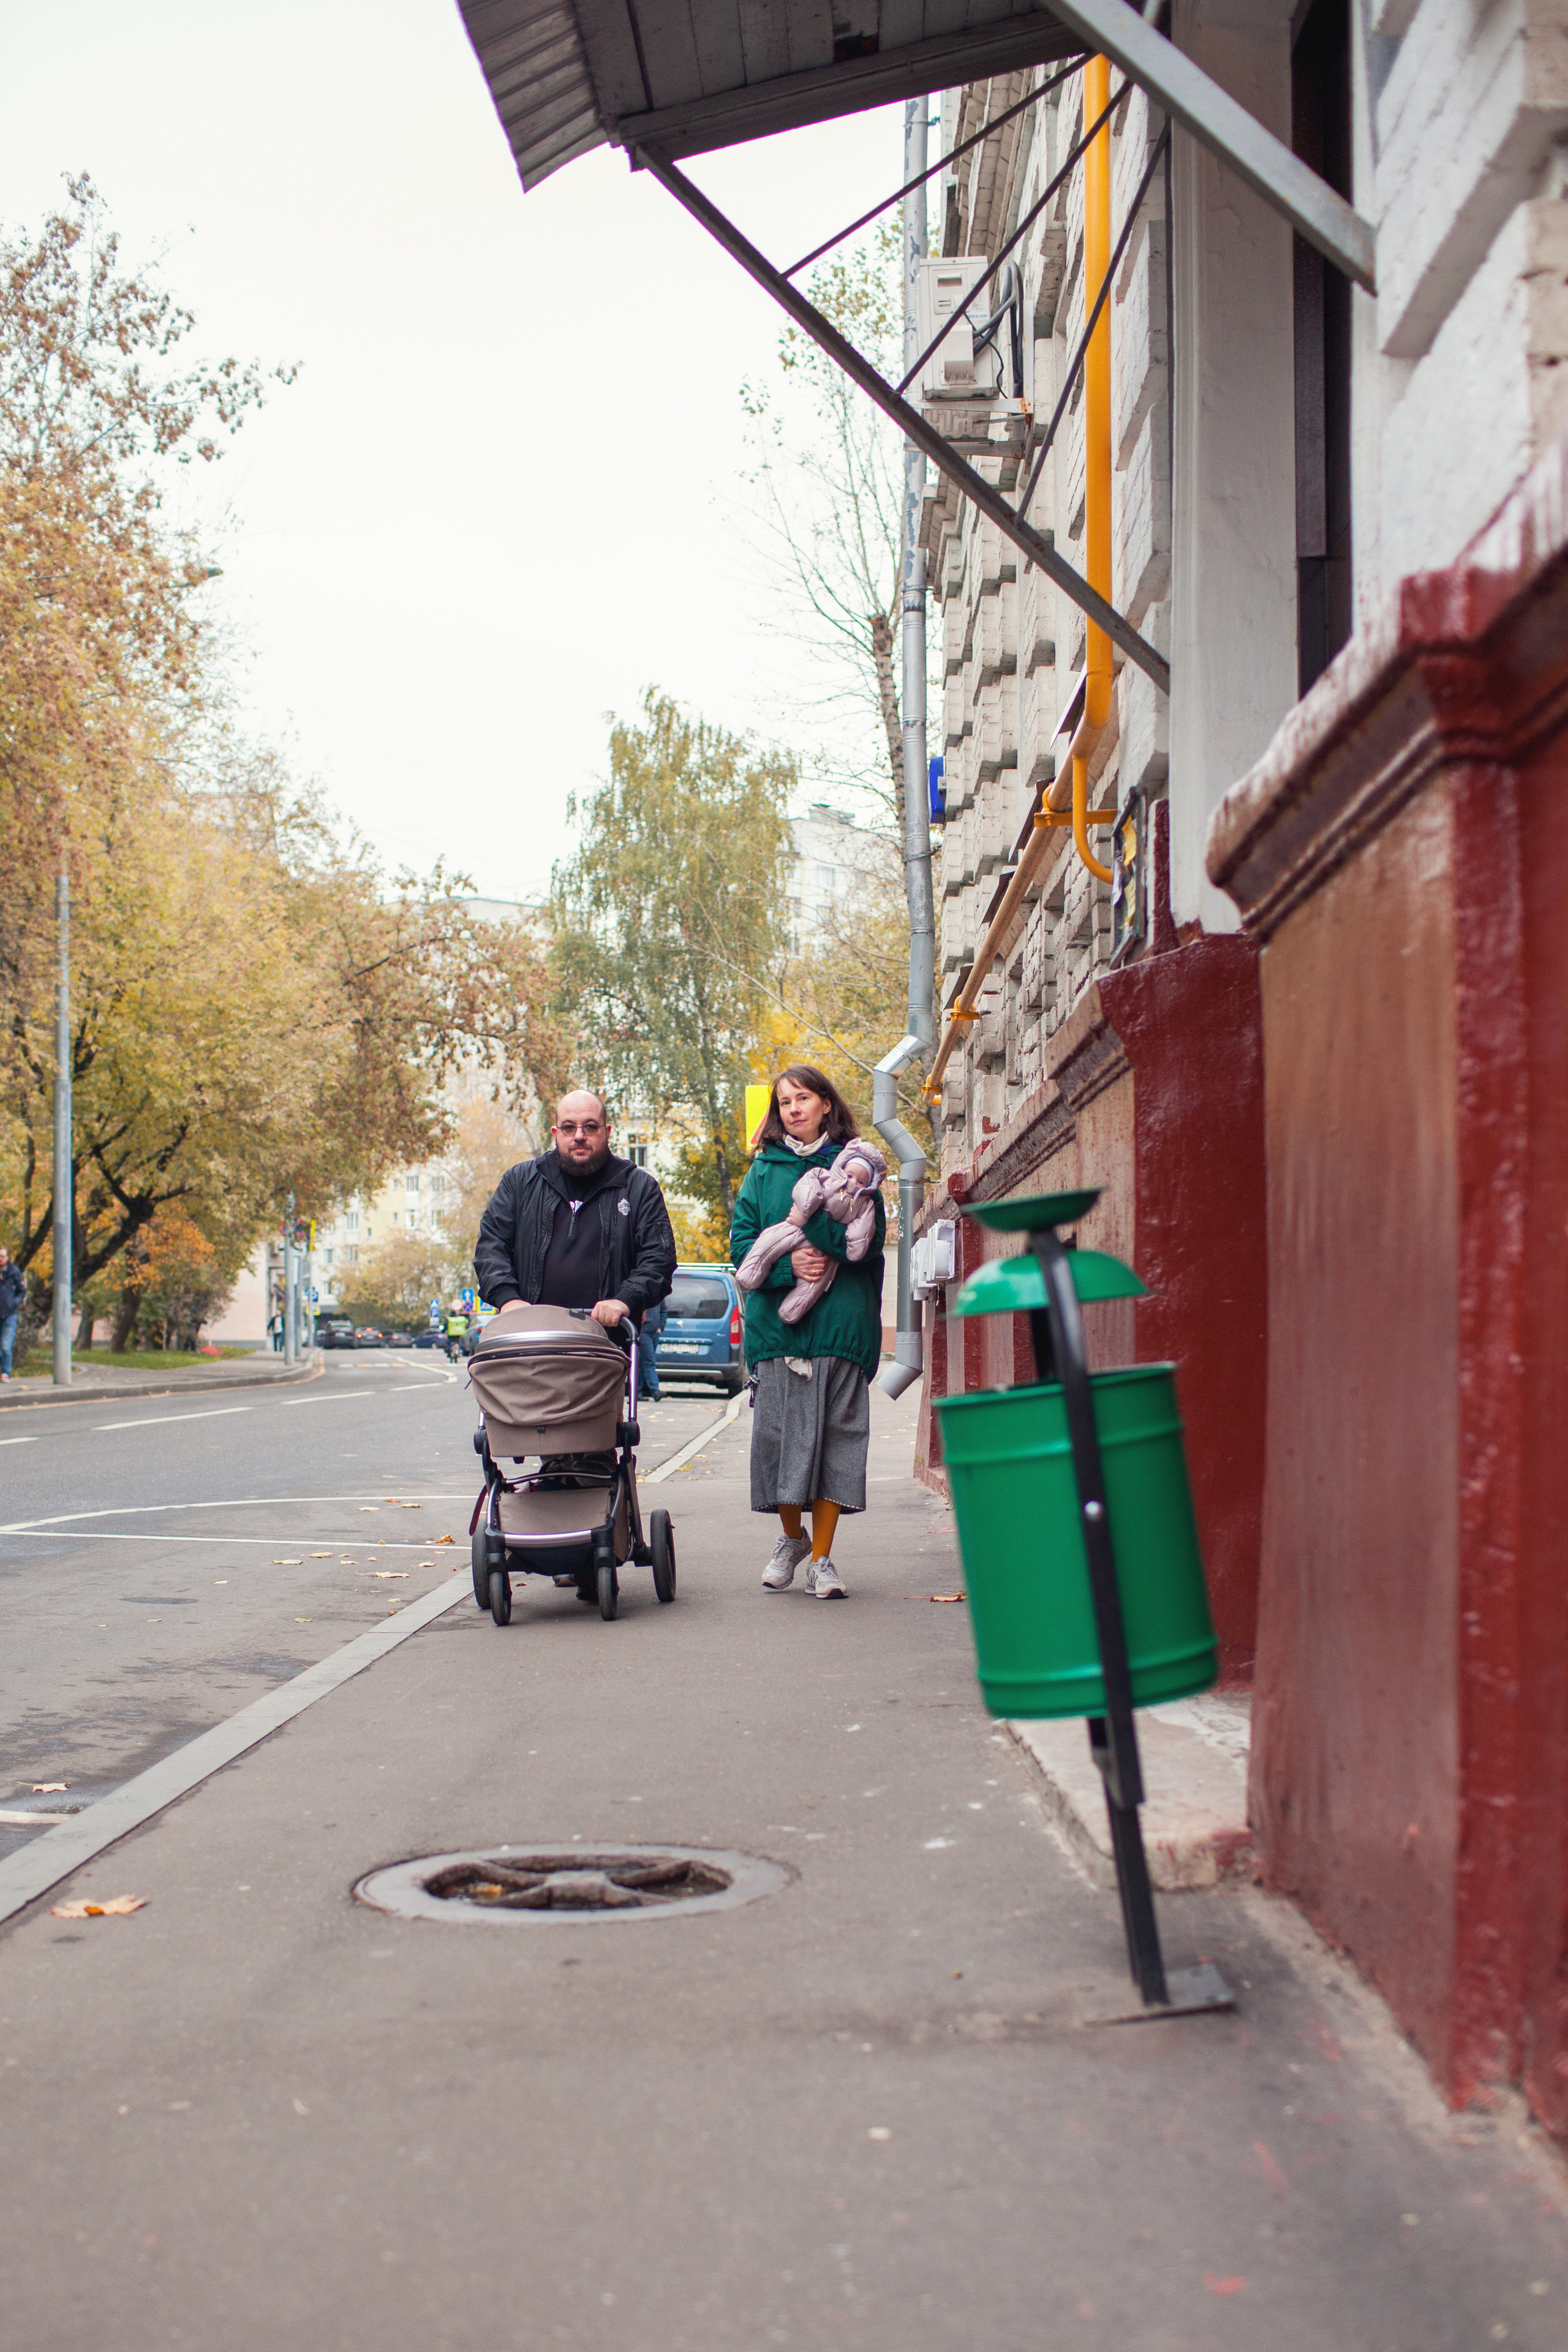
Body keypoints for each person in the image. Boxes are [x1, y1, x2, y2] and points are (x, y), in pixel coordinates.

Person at [729, 1065, 885, 1600]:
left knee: (836, 1444)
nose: (793, 1108)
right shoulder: (763, 1171)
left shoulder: (858, 1167)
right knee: (777, 1442)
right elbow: (743, 1247)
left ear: (825, 1104)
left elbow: (865, 1243)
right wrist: (789, 1265)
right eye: (784, 1101)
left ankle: (821, 1559)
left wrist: (814, 1218)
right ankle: (791, 1538)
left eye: (803, 1098)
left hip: (841, 1329)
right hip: (778, 1332)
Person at [474, 1090, 676, 1337]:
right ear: (555, 1133)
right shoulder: (519, 1183)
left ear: (607, 1132)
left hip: (607, 1344)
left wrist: (626, 1300)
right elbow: (491, 1247)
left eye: (590, 1127)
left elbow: (659, 1258)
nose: (579, 1136)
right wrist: (508, 1299)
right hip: (529, 1341)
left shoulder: (639, 1188)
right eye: (569, 1128)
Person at [0, 1246, 24, 1383]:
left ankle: (6, 1372)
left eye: (2, 1256)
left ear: (8, 1258)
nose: (0, 1259)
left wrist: (14, 1303)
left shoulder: (14, 1272)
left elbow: (22, 1291)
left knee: (5, 1345)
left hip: (10, 1314)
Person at [639, 1293, 666, 1401]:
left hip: (655, 1334)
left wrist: (661, 1327)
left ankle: (637, 1391)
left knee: (642, 1364)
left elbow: (664, 1311)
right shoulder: (642, 1294)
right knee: (649, 1362)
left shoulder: (659, 1295)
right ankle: (655, 1391)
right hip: (644, 1333)